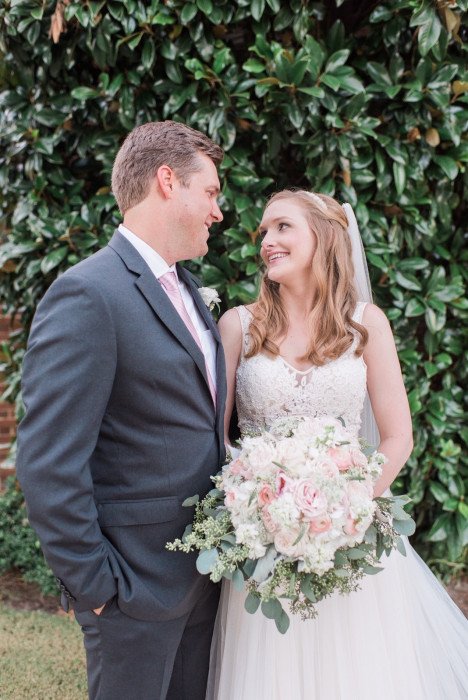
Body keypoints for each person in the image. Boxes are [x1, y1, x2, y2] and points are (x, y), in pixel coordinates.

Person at [208, 190, 468, 699]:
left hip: (351, 538)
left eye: (283, 226)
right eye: (264, 231)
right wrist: (257, 510)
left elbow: (398, 436)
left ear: (323, 237)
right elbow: (216, 438)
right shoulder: (238, 325)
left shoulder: (366, 324)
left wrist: (348, 510)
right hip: (262, 541)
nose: (267, 241)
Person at [16, 120, 227, 700]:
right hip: (133, 590)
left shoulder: (188, 289)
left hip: (203, 579)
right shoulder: (89, 294)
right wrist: (96, 586)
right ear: (168, 181)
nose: (218, 211)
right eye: (211, 192)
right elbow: (48, 461)